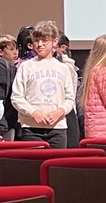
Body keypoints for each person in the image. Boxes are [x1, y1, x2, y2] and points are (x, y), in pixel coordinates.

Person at [11, 20, 77, 148]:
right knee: (33, 166)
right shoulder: (26, 67)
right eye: (36, 40)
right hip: (31, 128)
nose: (39, 44)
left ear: (54, 42)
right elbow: (16, 97)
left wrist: (60, 112)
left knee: (55, 165)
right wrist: (34, 113)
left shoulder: (63, 68)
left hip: (57, 128)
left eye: (44, 41)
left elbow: (70, 99)